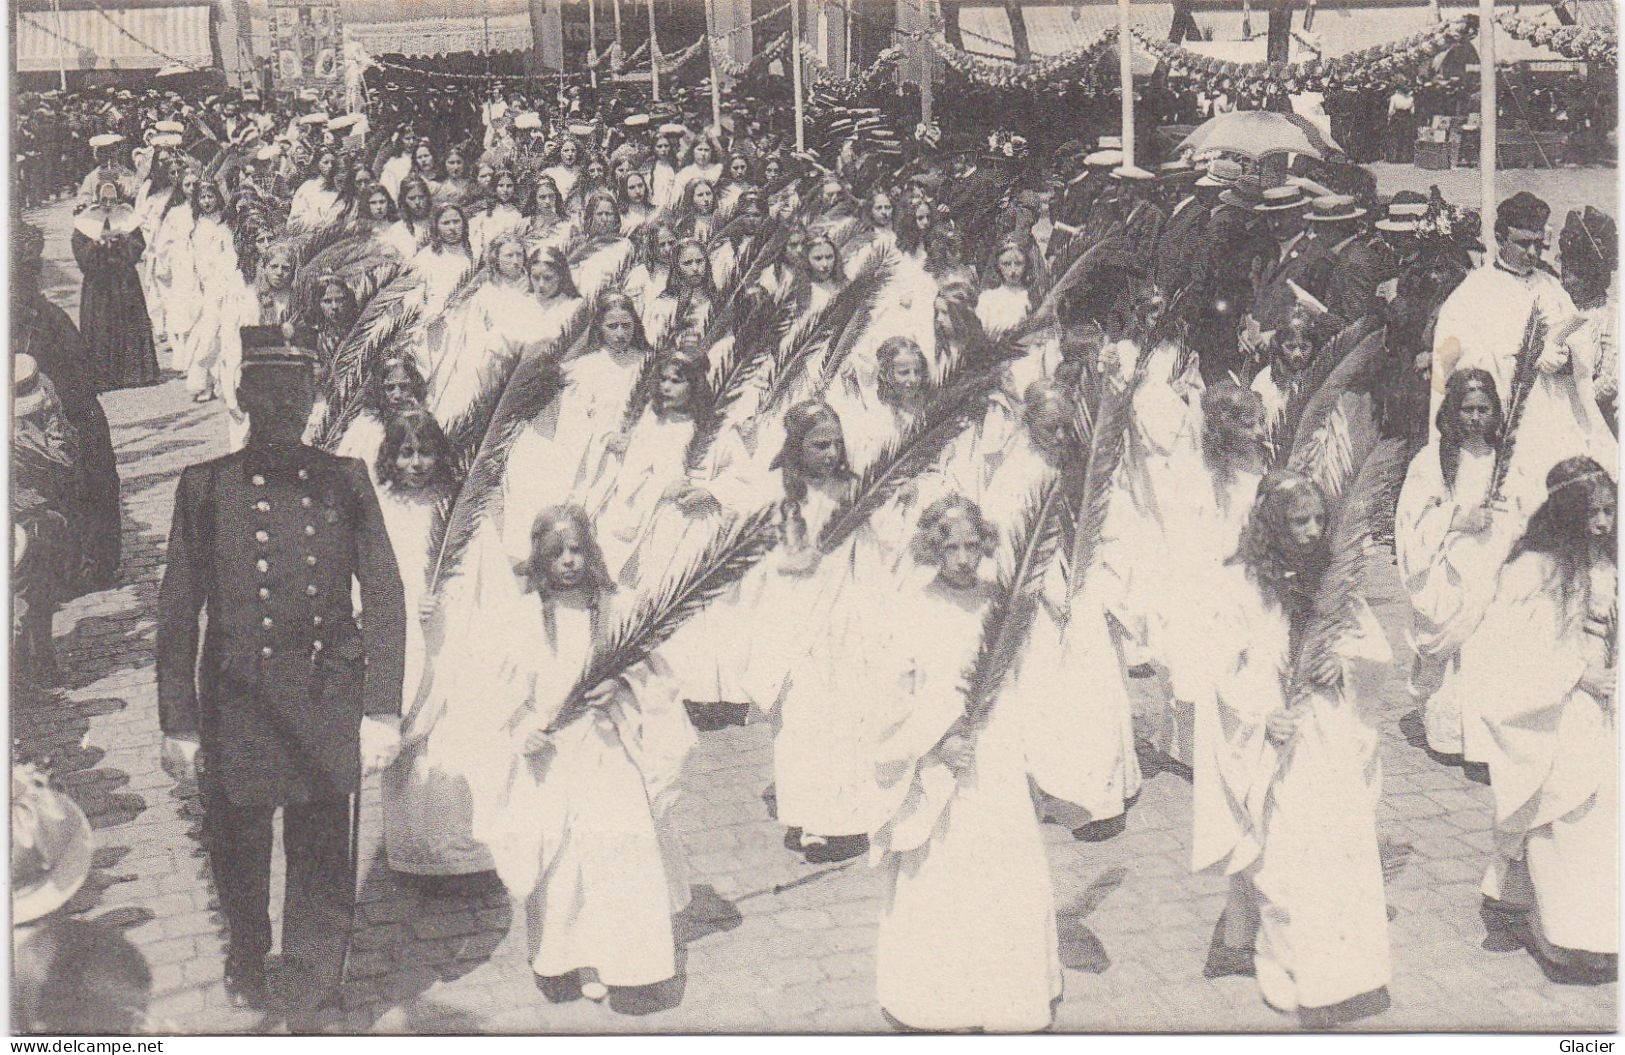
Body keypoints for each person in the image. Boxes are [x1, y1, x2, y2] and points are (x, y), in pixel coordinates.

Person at [155, 326, 406, 1016]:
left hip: (326, 689)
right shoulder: (205, 486)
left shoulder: (345, 479)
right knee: (237, 841)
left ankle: (312, 971)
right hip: (240, 699)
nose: (282, 410)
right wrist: (178, 721)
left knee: (322, 842)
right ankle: (246, 948)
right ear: (242, 397)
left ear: (310, 401)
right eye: (267, 395)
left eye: (294, 395)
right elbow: (179, 609)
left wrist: (381, 707)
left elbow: (383, 591)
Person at [462, 506, 689, 1005]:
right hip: (553, 759)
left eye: (577, 550)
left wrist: (621, 687)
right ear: (539, 560)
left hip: (611, 750)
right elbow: (495, 691)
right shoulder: (522, 618)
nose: (568, 561)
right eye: (556, 553)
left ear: (592, 553)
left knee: (618, 849)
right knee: (563, 861)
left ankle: (627, 959)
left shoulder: (617, 608)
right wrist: (522, 729)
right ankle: (572, 956)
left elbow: (660, 679)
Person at [1193, 470, 1392, 1026]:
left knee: (1341, 839)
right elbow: (1220, 667)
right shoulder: (1240, 583)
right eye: (1296, 521)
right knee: (1286, 851)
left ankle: (1349, 971)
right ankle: (1290, 972)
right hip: (1277, 733)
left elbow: (1370, 645)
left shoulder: (1331, 578)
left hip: (1327, 729)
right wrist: (1262, 715)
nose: (1310, 532)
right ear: (1270, 525)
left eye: (1318, 520)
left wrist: (1344, 663)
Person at [867, 496, 1063, 1032]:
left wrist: (1032, 758)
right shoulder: (912, 607)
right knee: (944, 867)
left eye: (971, 545)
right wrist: (935, 744)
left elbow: (1026, 680)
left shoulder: (1002, 605)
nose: (960, 557)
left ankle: (1006, 988)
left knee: (1001, 861)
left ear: (986, 545)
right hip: (941, 762)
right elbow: (890, 696)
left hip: (994, 752)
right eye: (948, 545)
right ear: (931, 546)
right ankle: (942, 995)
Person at [1432, 191, 1614, 519]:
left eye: (1538, 245)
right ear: (1500, 238)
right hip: (1503, 418)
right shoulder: (1472, 294)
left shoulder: (1551, 287)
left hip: (1555, 416)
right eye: (1522, 243)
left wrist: (1565, 360)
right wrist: (1525, 360)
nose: (1532, 252)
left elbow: (1582, 345)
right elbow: (1459, 365)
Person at [1396, 369, 1519, 761]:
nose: (1476, 417)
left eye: (1484, 409)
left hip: (1494, 563)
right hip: (1451, 569)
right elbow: (1411, 515)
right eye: (1467, 409)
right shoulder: (1432, 459)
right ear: (1453, 411)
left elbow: (1521, 506)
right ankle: (1448, 735)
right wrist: (1455, 518)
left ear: (1496, 411)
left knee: (1489, 650)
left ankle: (1483, 739)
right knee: (1452, 658)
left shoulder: (1506, 458)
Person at [13, 224, 121, 595]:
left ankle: (94, 566)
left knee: (90, 484)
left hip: (71, 416)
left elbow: (82, 373)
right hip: (42, 423)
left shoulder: (49, 319)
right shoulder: (31, 320)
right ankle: (73, 569)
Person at [71, 179, 161, 392]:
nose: (109, 204)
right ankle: (104, 376)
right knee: (101, 327)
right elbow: (80, 252)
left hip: (124, 282)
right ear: (97, 199)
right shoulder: (86, 221)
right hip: (99, 285)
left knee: (129, 324)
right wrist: (95, 245)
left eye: (113, 200)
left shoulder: (127, 218)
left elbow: (138, 246)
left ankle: (134, 374)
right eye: (104, 200)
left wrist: (123, 241)